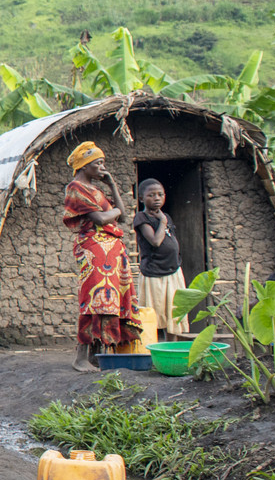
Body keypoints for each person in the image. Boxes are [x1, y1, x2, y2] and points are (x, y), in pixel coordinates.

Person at [63, 142, 140, 373]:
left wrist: (112, 185)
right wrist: (115, 212)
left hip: (111, 249)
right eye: (97, 163)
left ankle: (97, 355)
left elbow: (123, 216)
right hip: (93, 248)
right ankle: (80, 357)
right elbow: (101, 219)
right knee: (94, 298)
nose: (102, 167)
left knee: (110, 301)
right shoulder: (76, 188)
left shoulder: (98, 190)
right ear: (84, 165)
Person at [132, 179, 189, 341]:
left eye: (160, 194)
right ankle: (152, 349)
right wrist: (162, 222)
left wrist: (164, 220)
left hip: (173, 272)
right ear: (142, 198)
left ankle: (170, 348)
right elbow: (156, 241)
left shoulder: (166, 217)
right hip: (154, 274)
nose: (157, 198)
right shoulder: (141, 218)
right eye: (151, 195)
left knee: (173, 312)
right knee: (154, 314)